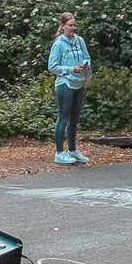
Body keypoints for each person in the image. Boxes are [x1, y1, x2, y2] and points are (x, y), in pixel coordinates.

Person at [48, 12, 92, 165]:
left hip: (79, 83)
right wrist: (71, 69)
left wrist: (85, 65)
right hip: (65, 84)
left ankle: (72, 150)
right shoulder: (59, 44)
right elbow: (52, 67)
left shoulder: (80, 41)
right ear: (63, 26)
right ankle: (59, 153)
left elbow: (87, 57)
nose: (73, 28)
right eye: (70, 25)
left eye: (74, 25)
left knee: (74, 119)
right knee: (63, 118)